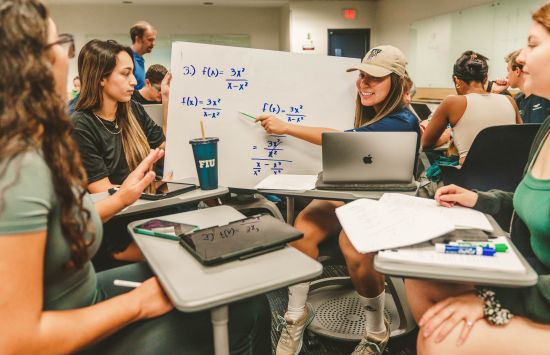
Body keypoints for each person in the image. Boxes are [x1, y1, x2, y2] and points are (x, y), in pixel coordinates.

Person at [0, 1, 271, 354]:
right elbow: (15, 340)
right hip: (75, 320)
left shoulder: (38, 142)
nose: (65, 54)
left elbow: (61, 222)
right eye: (59, 42)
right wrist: (138, 303)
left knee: (245, 296)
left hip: (87, 292)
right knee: (240, 306)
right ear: (34, 60)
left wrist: (122, 197)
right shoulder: (22, 168)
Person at [405, 4, 550, 354]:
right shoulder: (540, 124)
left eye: (532, 44)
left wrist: (500, 298)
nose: (520, 59)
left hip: (539, 289)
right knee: (420, 274)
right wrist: (482, 199)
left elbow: (427, 144)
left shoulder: (454, 101)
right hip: (531, 270)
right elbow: (530, 197)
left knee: (438, 338)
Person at [256, 45, 420, 355]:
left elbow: (343, 140)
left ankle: (376, 332)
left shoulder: (400, 121)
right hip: (351, 193)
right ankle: (295, 315)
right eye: (362, 77)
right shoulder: (371, 111)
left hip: (384, 201)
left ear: (397, 82)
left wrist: (286, 127)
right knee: (302, 230)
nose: (363, 84)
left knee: (352, 245)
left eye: (374, 79)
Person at [421, 51, 521, 165]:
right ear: (486, 78)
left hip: (469, 177)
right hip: (509, 174)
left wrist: (447, 135)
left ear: (456, 80)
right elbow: (520, 139)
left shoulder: (451, 102)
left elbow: (426, 143)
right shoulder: (510, 100)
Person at [500, 49, 550, 124]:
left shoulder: (545, 96)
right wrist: (496, 92)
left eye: (508, 70)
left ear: (517, 71)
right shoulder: (517, 99)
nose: (507, 76)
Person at [130, 21, 156, 90]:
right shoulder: (129, 59)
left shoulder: (139, 60)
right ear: (138, 39)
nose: (153, 43)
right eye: (150, 40)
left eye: (154, 40)